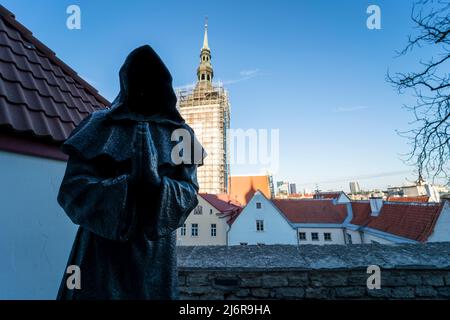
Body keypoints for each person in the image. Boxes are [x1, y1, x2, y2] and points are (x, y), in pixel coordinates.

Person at [56, 45, 205, 299]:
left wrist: (157, 186)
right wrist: (127, 186)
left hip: (155, 254)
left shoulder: (181, 135)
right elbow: (72, 191)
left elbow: (189, 193)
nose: (144, 89)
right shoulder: (98, 125)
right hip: (102, 255)